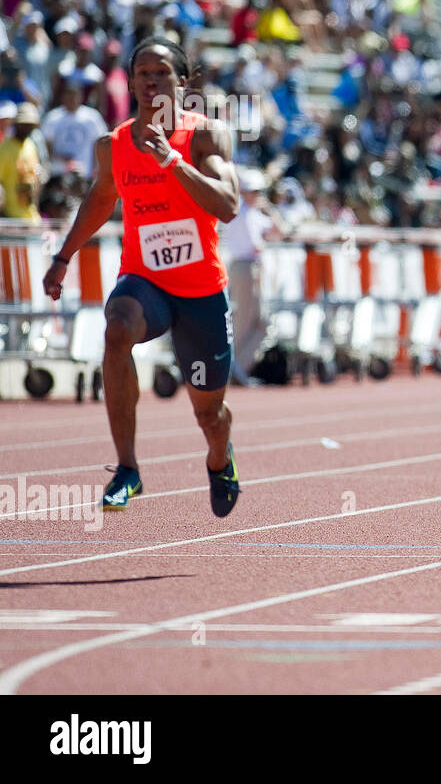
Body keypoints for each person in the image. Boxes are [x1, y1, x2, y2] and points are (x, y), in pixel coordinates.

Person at [41, 37, 242, 516]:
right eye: (143, 73)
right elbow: (98, 201)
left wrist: (171, 161)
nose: (152, 81)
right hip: (144, 280)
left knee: (209, 415)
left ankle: (220, 459)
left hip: (199, 291)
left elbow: (228, 205)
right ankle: (128, 468)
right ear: (130, 82)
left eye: (162, 73)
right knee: (117, 328)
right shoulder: (113, 146)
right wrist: (63, 256)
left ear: (183, 82)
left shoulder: (205, 136)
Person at [224, 167, 282, 386]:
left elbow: (279, 230)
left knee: (261, 321)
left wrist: (270, 209)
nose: (257, 196)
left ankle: (237, 367)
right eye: (253, 191)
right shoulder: (242, 214)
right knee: (245, 320)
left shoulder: (253, 214)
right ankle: (231, 367)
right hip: (245, 267)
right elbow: (257, 246)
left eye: (259, 192)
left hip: (249, 268)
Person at [0, 101, 42, 221]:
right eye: (24, 124)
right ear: (16, 124)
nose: (27, 128)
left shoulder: (31, 146)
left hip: (31, 216)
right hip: (10, 216)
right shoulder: (4, 149)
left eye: (30, 124)